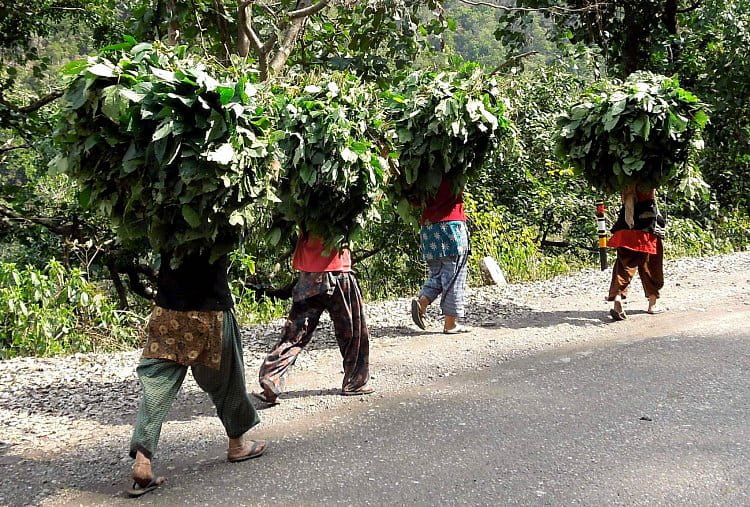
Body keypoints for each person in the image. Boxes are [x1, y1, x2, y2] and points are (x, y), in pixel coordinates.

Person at [128, 251, 267, 497]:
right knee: (227, 381)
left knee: (157, 386)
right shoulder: (217, 218)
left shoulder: (162, 216)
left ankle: (142, 461)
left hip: (168, 312)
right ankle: (237, 444)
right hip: (211, 313)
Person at [255, 232, 372, 404]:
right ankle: (355, 382)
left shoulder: (301, 206)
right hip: (339, 271)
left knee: (295, 334)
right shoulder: (342, 206)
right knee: (353, 332)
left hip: (310, 274)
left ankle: (272, 377)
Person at [410, 179, 471, 334]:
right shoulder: (454, 168)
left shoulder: (422, 173)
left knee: (438, 272)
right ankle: (450, 324)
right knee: (454, 275)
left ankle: (423, 301)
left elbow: (416, 202)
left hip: (428, 228)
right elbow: (460, 189)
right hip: (451, 227)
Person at [607, 184, 666, 320]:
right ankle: (652, 304)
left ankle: (618, 299)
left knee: (624, 266)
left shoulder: (623, 181)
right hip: (646, 226)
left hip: (626, 225)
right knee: (650, 265)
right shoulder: (648, 178)